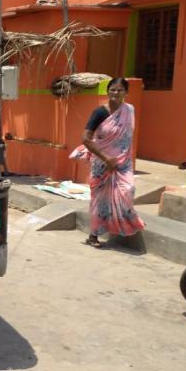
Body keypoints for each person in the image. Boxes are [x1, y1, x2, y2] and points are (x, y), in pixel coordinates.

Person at [70, 77, 145, 248]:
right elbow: (86, 139)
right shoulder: (100, 112)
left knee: (128, 190)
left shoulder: (129, 110)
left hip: (122, 162)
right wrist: (106, 158)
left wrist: (119, 158)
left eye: (120, 90)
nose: (116, 93)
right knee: (100, 200)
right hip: (102, 162)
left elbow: (127, 137)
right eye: (112, 89)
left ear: (126, 92)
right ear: (107, 91)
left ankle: (118, 224)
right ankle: (93, 235)